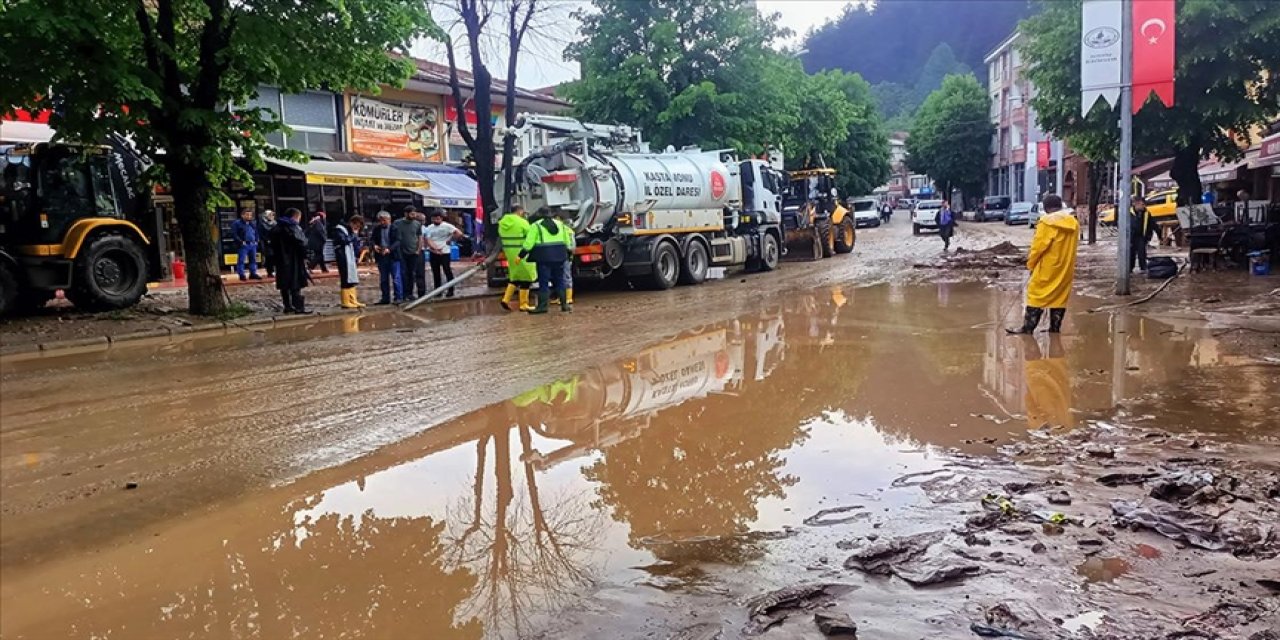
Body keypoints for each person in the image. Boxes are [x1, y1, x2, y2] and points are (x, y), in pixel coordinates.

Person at [1008, 194, 1079, 335]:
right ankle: (1055, 328)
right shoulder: (1073, 223)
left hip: (1047, 267)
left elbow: (1038, 247)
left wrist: (1031, 264)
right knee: (1060, 296)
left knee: (1036, 294)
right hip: (1066, 267)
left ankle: (1028, 328)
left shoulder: (1046, 222)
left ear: (1046, 208)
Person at [519, 207, 573, 314]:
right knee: (560, 281)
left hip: (544, 258)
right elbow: (567, 242)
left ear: (539, 214)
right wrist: (569, 254)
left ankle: (543, 306)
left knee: (543, 282)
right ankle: (564, 305)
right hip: (559, 256)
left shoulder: (536, 226)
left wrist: (521, 255)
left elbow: (529, 243)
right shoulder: (560, 224)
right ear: (551, 214)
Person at [270, 208, 310, 313]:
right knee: (295, 283)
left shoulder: (276, 228)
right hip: (294, 260)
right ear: (295, 217)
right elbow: (302, 243)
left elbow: (271, 244)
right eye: (299, 218)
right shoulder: (293, 227)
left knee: (284, 285)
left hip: (280, 261)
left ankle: (287, 306)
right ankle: (298, 307)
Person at [498, 205, 536, 311]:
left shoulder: (502, 223)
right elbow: (531, 235)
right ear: (519, 211)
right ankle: (523, 304)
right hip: (522, 253)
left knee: (515, 277)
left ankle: (505, 299)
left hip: (509, 252)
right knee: (526, 278)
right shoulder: (522, 222)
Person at [423, 210, 464, 297]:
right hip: (434, 252)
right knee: (435, 272)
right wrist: (435, 249)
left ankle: (450, 290)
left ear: (441, 218)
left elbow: (459, 233)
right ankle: (438, 291)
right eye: (434, 219)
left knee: (447, 271)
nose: (436, 221)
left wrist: (451, 239)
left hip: (445, 252)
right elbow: (428, 240)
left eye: (438, 219)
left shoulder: (447, 226)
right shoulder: (429, 228)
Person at [393, 205, 425, 300]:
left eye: (415, 213)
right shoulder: (397, 223)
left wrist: (418, 250)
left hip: (413, 253)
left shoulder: (417, 224)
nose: (414, 215)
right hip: (401, 253)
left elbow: (419, 237)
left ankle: (410, 294)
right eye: (412, 214)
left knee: (412, 274)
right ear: (406, 213)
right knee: (403, 273)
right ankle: (402, 294)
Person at [370, 211, 403, 304]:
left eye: (384, 220)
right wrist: (374, 246)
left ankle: (398, 297)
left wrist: (389, 249)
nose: (382, 222)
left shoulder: (395, 228)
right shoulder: (377, 229)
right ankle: (385, 298)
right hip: (381, 255)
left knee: (396, 278)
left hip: (393, 256)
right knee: (383, 279)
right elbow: (372, 239)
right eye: (380, 221)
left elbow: (398, 241)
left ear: (389, 220)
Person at [334, 215, 366, 309]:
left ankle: (353, 299)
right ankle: (345, 300)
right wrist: (353, 235)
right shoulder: (340, 229)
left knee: (352, 278)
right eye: (356, 226)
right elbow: (344, 240)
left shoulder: (350, 231)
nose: (357, 229)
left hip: (350, 257)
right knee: (345, 278)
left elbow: (354, 244)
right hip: (343, 257)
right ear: (352, 222)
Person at [230, 209, 262, 281]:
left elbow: (256, 232)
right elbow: (234, 234)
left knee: (253, 260)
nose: (249, 216)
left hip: (252, 244)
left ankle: (253, 273)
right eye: (247, 215)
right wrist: (241, 242)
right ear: (242, 215)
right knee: (241, 260)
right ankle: (241, 274)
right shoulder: (237, 223)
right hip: (243, 244)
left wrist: (257, 240)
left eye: (250, 215)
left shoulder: (253, 223)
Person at [1128, 198, 1153, 273]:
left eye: (1144, 204)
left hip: (1141, 236)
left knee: (1142, 252)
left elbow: (1151, 225)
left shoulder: (1146, 213)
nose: (1143, 206)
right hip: (1131, 237)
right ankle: (1129, 269)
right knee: (1131, 254)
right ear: (1135, 204)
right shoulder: (1128, 213)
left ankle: (1143, 268)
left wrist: (1149, 236)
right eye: (1142, 204)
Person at [257, 210, 277, 278]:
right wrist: (266, 240)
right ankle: (270, 272)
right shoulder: (262, 224)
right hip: (266, 243)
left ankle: (275, 270)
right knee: (269, 257)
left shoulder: (275, 223)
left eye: (273, 215)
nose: (272, 216)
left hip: (274, 242)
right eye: (270, 215)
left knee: (275, 257)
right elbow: (260, 234)